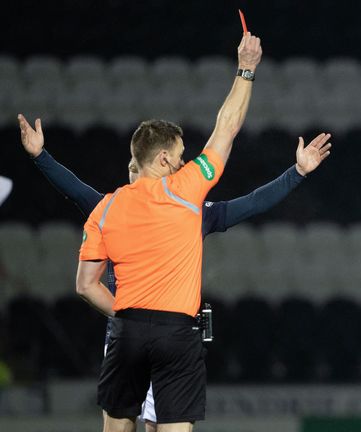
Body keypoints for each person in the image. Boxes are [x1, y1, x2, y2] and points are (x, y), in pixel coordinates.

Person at [17, 112, 331, 432]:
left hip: (158, 334)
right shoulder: (112, 210)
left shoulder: (189, 211)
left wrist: (297, 173)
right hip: (133, 336)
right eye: (130, 172)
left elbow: (249, 204)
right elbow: (76, 190)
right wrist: (40, 156)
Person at [73, 32, 268, 432]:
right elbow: (227, 127)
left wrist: (127, 314)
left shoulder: (105, 208)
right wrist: (246, 68)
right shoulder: (186, 190)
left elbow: (86, 285)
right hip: (177, 333)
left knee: (116, 426)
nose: (183, 163)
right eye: (180, 157)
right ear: (163, 158)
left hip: (126, 329)